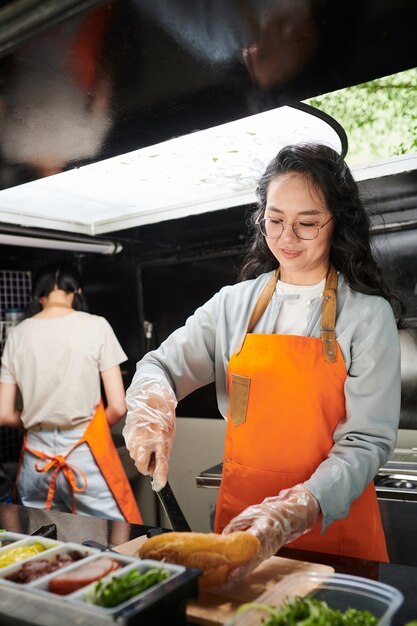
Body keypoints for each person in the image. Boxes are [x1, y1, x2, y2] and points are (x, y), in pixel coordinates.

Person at [123, 142, 401, 573]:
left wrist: (300, 507)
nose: (286, 238)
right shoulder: (233, 304)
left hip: (331, 530)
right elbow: (160, 365)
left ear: (336, 223)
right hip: (240, 527)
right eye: (274, 220)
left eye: (307, 223)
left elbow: (367, 441)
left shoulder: (367, 315)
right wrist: (151, 404)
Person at [0, 262, 142, 524]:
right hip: (84, 453)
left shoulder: (18, 335)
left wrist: (38, 421)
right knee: (113, 536)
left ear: (39, 297)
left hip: (36, 457)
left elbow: (4, 413)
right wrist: (93, 429)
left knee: (40, 541)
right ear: (76, 292)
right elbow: (119, 406)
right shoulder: (96, 326)